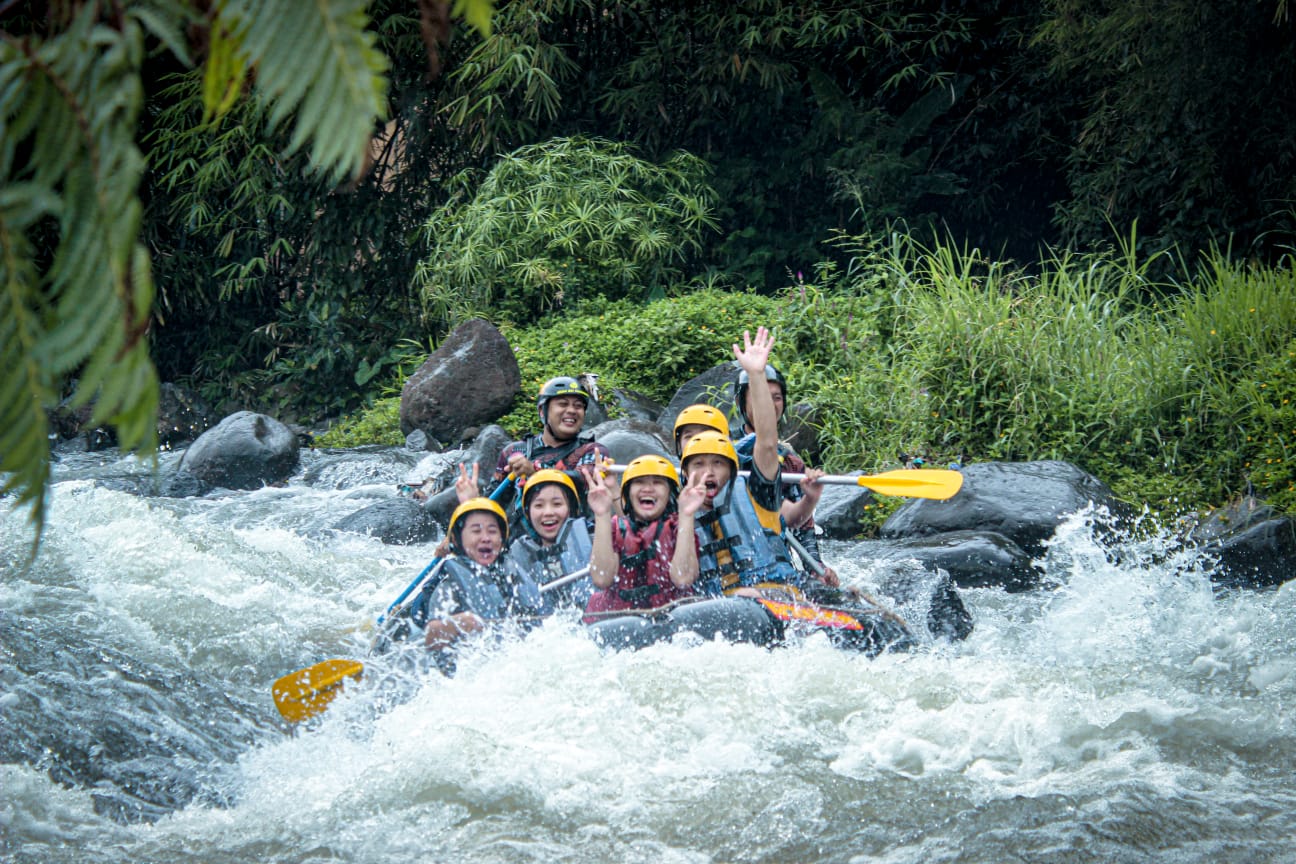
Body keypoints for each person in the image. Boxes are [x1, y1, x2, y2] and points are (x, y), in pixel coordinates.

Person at [680, 327, 803, 596]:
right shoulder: (680, 509)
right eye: (698, 465)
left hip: (777, 600)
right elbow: (683, 578)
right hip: (722, 612)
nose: (708, 472)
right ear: (685, 472)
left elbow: (767, 442)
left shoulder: (759, 493)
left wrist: (757, 376)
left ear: (734, 469)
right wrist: (687, 516)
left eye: (718, 463)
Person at [732, 364, 839, 586]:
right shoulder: (722, 453)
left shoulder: (790, 461)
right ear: (740, 403)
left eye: (776, 397)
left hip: (775, 565)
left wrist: (815, 567)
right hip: (733, 564)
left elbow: (802, 526)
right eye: (760, 396)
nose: (769, 404)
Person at [419, 498, 551, 672]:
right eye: (476, 531)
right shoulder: (449, 588)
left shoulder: (515, 573)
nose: (486, 538)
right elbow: (430, 637)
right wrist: (454, 624)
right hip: (470, 672)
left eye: (492, 531)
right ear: (457, 541)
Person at [582, 455, 706, 619]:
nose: (648, 488)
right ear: (628, 493)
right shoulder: (613, 527)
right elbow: (601, 578)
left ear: (669, 493)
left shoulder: (679, 526)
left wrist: (687, 514)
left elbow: (683, 579)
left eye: (657, 482)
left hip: (670, 619)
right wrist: (602, 514)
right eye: (639, 482)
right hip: (620, 621)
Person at [493, 376, 615, 523]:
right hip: (523, 539)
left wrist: (534, 472)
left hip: (575, 536)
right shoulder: (514, 451)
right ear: (542, 411)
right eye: (563, 404)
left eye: (578, 406)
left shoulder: (592, 451)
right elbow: (494, 503)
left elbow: (581, 479)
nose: (571, 411)